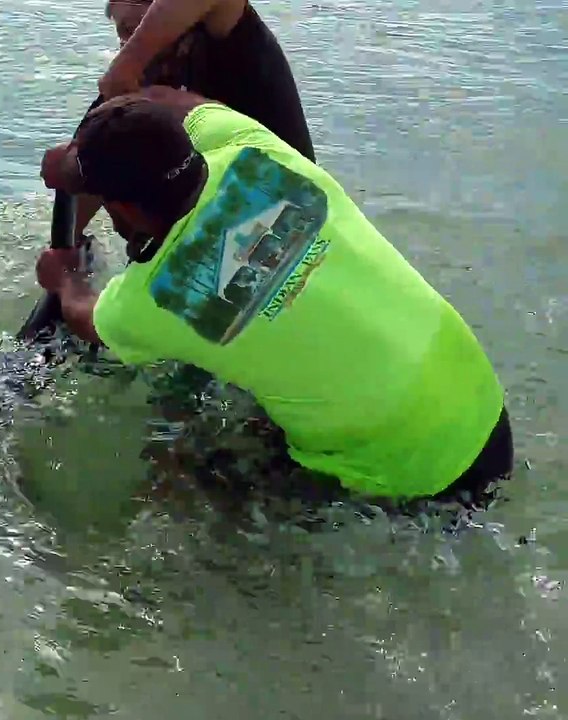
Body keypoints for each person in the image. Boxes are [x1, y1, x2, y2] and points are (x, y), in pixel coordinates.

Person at [35, 87, 513, 506]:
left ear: (118, 207)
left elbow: (86, 317)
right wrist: (115, 116)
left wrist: (65, 278)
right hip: (481, 406)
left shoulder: (154, 298)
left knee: (187, 475)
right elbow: (178, 103)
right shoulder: (255, 150)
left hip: (410, 476)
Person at [72, 0, 314, 246]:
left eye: (135, 30)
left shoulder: (233, 43)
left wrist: (129, 63)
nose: (125, 47)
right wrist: (65, 246)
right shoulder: (140, 86)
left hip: (295, 216)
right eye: (122, 35)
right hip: (211, 243)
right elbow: (86, 156)